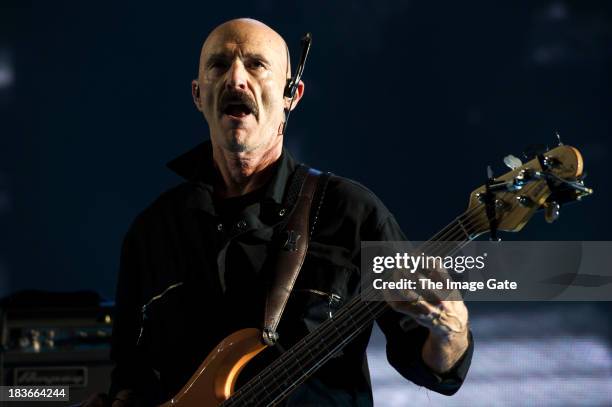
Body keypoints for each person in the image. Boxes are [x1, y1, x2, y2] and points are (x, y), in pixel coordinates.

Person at [83, 18, 472, 407]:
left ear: (293, 93)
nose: (236, 78)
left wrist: (450, 331)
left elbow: (431, 366)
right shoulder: (154, 230)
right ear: (198, 95)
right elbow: (129, 372)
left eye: (256, 64)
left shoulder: (350, 212)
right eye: (219, 65)